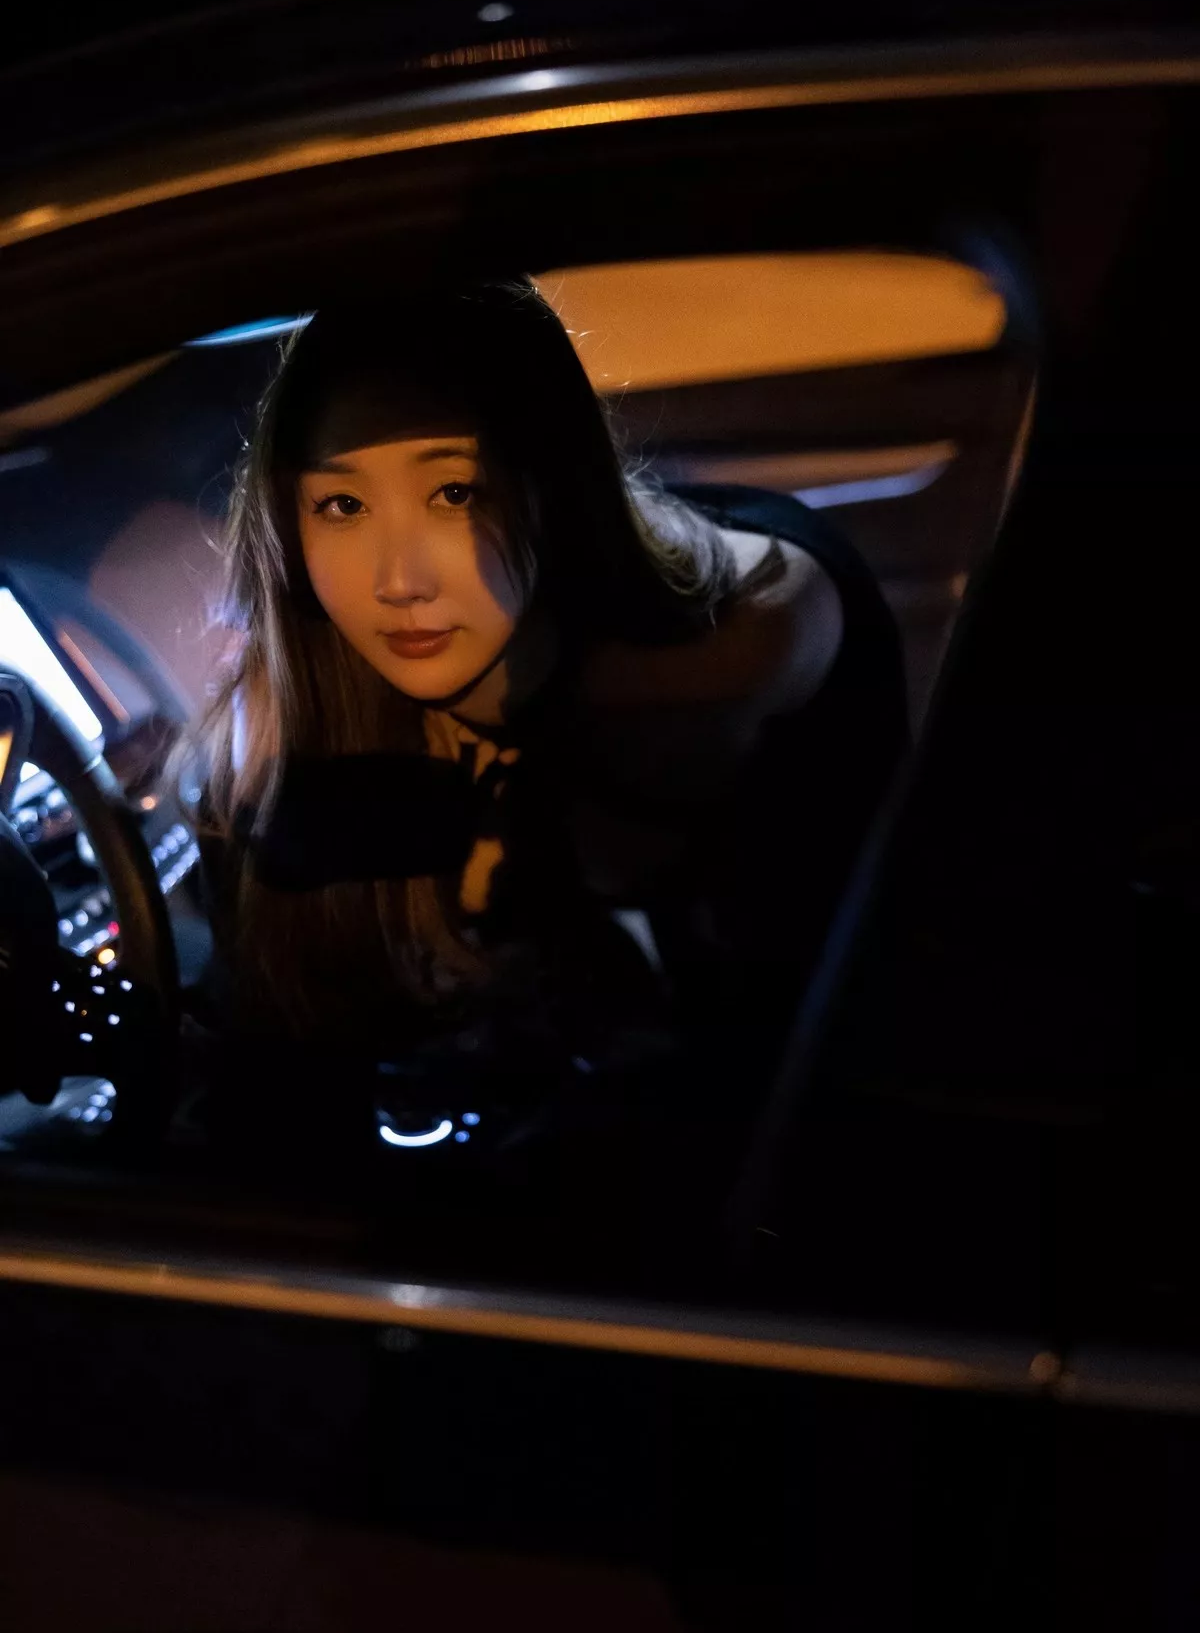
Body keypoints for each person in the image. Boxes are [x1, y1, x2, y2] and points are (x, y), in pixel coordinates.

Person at [185, 276, 907, 1108]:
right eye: (343, 504)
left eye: (454, 493)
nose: (397, 581)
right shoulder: (315, 685)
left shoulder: (739, 642)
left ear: (550, 487)